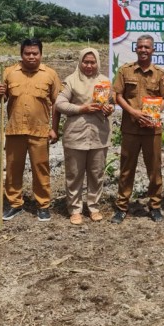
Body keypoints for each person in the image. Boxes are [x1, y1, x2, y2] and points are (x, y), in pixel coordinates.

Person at [0, 38, 62, 222]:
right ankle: (15, 204)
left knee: (41, 169)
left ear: (41, 54)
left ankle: (43, 205)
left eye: (35, 53)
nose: (31, 57)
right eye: (27, 53)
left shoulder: (50, 74)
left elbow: (57, 103)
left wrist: (54, 129)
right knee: (12, 169)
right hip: (15, 130)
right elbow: (1, 97)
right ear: (21, 54)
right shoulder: (9, 72)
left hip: (40, 131)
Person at [111, 34, 164, 224]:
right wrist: (133, 113)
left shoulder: (159, 73)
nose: (143, 50)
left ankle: (155, 206)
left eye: (147, 47)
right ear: (135, 49)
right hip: (130, 128)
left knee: (154, 170)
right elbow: (117, 95)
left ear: (153, 50)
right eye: (140, 47)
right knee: (127, 169)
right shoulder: (125, 71)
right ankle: (122, 207)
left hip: (152, 130)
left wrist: (154, 114)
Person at [52, 48, 114, 225]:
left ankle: (93, 206)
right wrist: (82, 109)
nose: (89, 65)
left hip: (99, 135)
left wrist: (109, 109)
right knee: (74, 174)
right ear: (80, 62)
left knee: (96, 173)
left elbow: (110, 104)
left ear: (98, 63)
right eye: (85, 62)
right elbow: (60, 104)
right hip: (76, 135)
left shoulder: (104, 81)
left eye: (92, 62)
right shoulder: (71, 80)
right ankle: (75, 209)